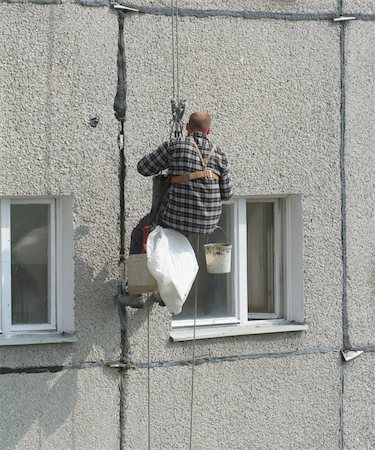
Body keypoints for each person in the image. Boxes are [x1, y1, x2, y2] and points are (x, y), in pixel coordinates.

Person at [137, 112, 233, 234]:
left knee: (140, 232)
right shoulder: (220, 154)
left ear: (187, 127)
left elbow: (143, 168)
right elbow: (227, 194)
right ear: (208, 131)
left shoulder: (174, 145)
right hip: (208, 225)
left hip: (176, 221)